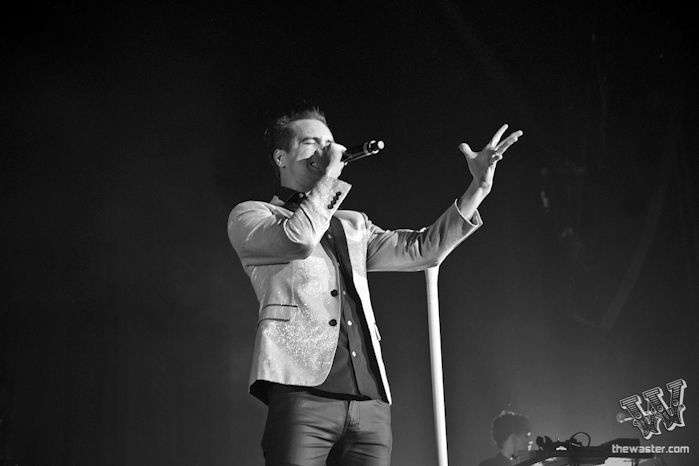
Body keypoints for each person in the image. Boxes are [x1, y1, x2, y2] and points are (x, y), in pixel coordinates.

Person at [227, 105, 522, 466]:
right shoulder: (254, 216)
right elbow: (299, 240)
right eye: (311, 143)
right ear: (281, 157)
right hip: (303, 395)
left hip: (370, 402)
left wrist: (479, 188)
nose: (326, 150)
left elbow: (422, 249)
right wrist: (330, 181)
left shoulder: (353, 224)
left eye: (329, 143)